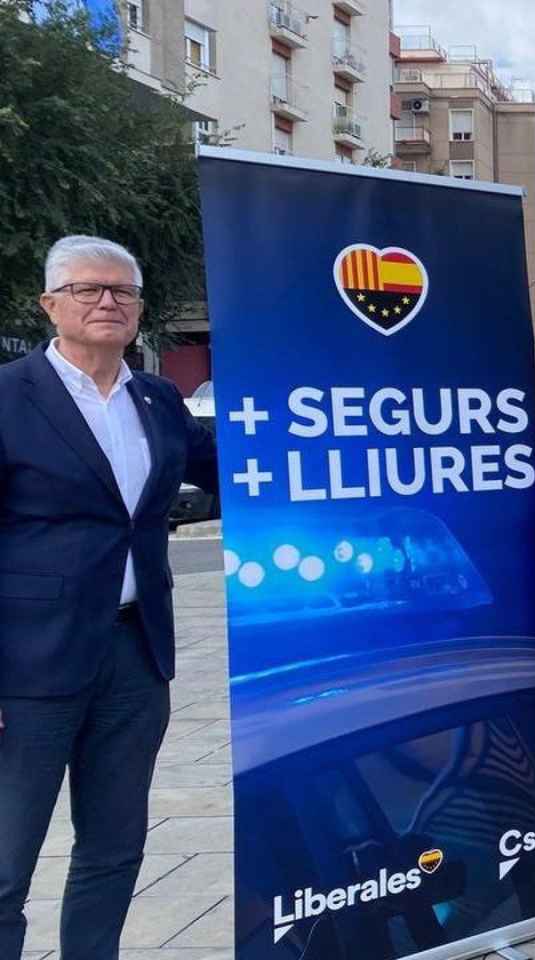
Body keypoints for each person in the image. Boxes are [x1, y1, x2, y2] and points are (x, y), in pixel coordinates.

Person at [0, 235, 218, 960]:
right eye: (88, 289)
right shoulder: (8, 395)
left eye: (122, 292)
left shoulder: (156, 398)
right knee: (6, 865)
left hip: (134, 655)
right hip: (28, 667)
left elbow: (240, 473)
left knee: (114, 849)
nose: (107, 302)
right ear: (49, 305)